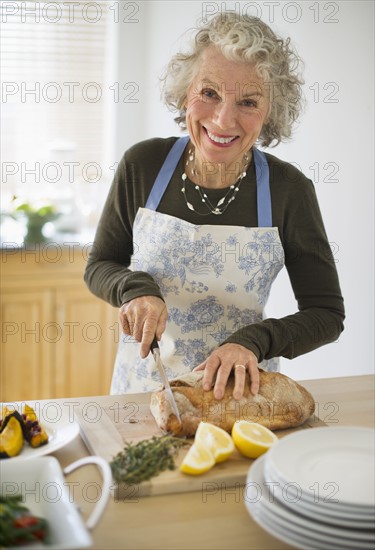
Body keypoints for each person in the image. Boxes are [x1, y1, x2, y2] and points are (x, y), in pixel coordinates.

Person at [84, 13, 345, 400]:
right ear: (185, 90)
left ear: (271, 111)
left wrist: (255, 341)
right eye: (209, 93)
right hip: (142, 388)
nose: (224, 120)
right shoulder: (143, 164)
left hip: (240, 398)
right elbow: (100, 265)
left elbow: (326, 313)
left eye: (248, 101)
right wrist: (135, 288)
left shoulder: (289, 190)